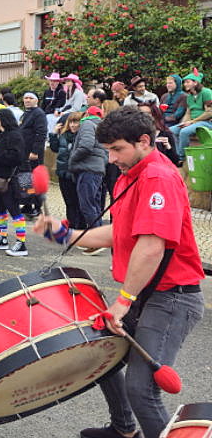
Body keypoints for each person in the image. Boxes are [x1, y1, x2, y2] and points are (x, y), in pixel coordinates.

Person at [35, 107, 204, 438]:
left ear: (143, 141)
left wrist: (123, 301)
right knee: (99, 355)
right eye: (108, 151)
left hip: (172, 298)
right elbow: (120, 232)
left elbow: (152, 246)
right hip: (148, 293)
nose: (111, 159)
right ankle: (124, 430)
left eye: (116, 149)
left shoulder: (159, 178)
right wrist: (66, 235)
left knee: (142, 390)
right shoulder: (133, 173)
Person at [0, 108, 28, 255]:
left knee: (14, 210)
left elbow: (15, 157)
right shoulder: (1, 135)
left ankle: (21, 242)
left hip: (9, 180)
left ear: (2, 120)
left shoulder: (15, 136)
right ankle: (2, 237)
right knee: (0, 209)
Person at [69, 106, 108, 250]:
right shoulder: (101, 127)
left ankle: (96, 242)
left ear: (86, 114)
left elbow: (86, 146)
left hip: (87, 169)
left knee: (87, 205)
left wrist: (72, 159)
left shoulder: (87, 123)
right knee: (95, 206)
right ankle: (99, 239)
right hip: (98, 170)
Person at [170, 69, 212, 163]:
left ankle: (181, 158)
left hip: (206, 122)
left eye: (188, 82)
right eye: (184, 82)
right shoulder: (189, 96)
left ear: (195, 82)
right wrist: (184, 122)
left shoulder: (206, 92)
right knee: (171, 130)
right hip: (193, 122)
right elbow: (188, 113)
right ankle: (177, 154)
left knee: (184, 132)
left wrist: (192, 122)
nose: (185, 84)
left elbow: (209, 112)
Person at [18, 92, 47, 218]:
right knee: (26, 180)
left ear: (36, 100)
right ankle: (27, 203)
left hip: (33, 153)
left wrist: (35, 151)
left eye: (30, 98)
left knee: (35, 180)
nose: (27, 100)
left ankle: (37, 206)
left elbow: (41, 133)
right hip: (24, 153)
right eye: (25, 98)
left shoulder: (38, 113)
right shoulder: (26, 113)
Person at [138, 102, 180, 167]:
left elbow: (176, 162)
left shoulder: (165, 134)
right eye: (140, 114)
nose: (143, 117)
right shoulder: (133, 135)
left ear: (154, 115)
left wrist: (168, 147)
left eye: (147, 114)